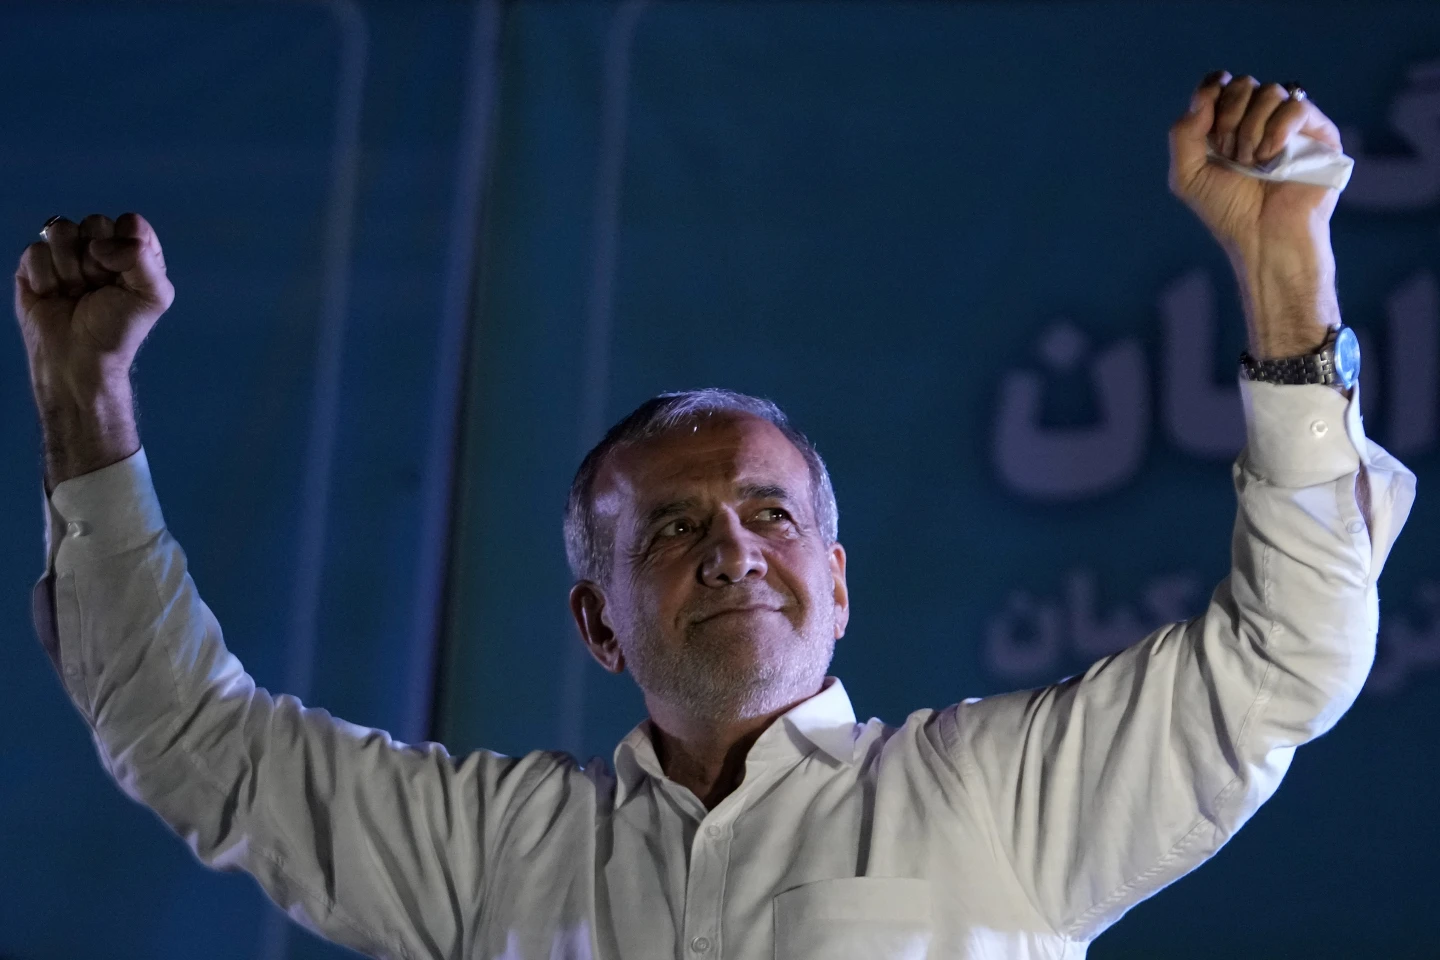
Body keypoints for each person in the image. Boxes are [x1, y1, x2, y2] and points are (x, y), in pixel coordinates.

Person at [16, 70, 1414, 959]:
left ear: (839, 585)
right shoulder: (494, 854)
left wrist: (1285, 268)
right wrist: (86, 398)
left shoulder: (995, 802)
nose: (733, 547)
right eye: (674, 530)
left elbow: (1290, 654)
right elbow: (186, 737)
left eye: (768, 514)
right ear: (598, 622)